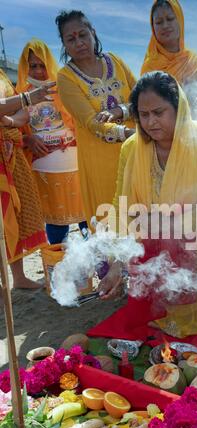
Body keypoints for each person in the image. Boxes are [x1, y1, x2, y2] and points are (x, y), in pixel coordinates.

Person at [98, 72, 197, 338]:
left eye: (159, 112)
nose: (151, 122)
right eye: (143, 114)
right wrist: (116, 262)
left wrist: (168, 223)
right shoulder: (131, 148)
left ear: (179, 108)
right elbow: (121, 207)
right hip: (155, 259)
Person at [56, 10, 136, 227]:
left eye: (83, 34)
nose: (79, 42)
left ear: (93, 32)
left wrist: (121, 110)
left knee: (142, 217)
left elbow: (143, 97)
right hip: (100, 160)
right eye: (70, 39)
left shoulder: (116, 61)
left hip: (136, 153)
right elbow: (91, 122)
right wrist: (129, 133)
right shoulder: (66, 78)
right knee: (110, 221)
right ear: (64, 44)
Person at [16, 39, 87, 244]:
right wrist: (27, 139)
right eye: (33, 66)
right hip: (44, 169)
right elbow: (12, 131)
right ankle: (59, 269)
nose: (38, 71)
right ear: (25, 66)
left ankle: (100, 269)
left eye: (42, 65)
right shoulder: (19, 96)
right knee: (56, 224)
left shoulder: (64, 88)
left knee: (87, 220)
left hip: (76, 165)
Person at [0, 69, 55, 288]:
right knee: (3, 218)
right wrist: (25, 98)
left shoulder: (3, 76)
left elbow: (23, 114)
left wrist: (8, 121)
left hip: (12, 152)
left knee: (19, 211)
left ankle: (19, 277)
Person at [140, 0, 197, 85]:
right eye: (159, 22)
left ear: (180, 21)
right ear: (153, 27)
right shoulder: (149, 69)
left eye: (170, 19)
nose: (165, 26)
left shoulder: (194, 62)